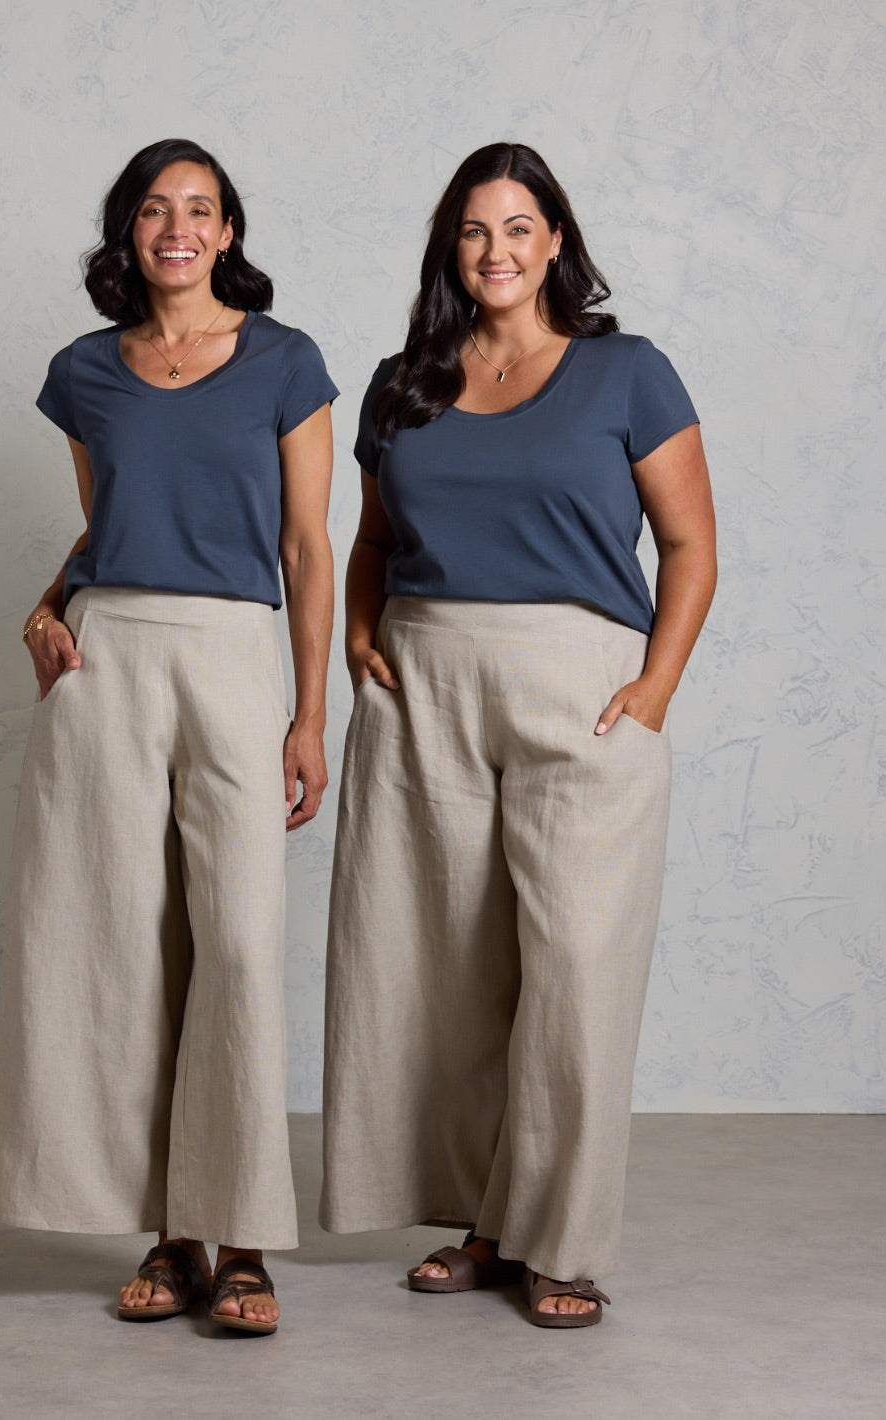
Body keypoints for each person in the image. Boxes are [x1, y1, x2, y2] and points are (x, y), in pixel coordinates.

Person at [320, 142, 716, 1328]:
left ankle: (563, 1242)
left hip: (579, 687)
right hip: (424, 686)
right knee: (445, 971)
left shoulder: (627, 373)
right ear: (452, 247)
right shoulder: (404, 384)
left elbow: (690, 545)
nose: (496, 250)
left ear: (556, 243)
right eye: (475, 229)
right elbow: (372, 541)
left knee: (577, 971)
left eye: (518, 227)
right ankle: (490, 1227)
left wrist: (656, 686)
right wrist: (357, 635)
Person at [0, 138, 337, 1336]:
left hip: (235, 651)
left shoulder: (286, 361)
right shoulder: (85, 372)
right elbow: (108, 530)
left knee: (237, 942)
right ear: (128, 233)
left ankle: (244, 1239)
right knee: (124, 946)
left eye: (198, 208)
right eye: (153, 208)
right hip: (110, 661)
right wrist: (42, 608)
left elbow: (307, 549)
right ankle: (172, 1235)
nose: (175, 227)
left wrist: (308, 712)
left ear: (228, 232)